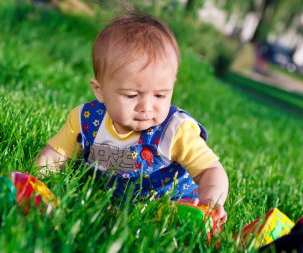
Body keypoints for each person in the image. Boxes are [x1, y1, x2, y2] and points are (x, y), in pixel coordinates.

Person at [37, 13, 229, 223]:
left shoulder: (174, 130)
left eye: (160, 95)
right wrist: (40, 183)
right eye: (131, 95)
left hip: (171, 205)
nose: (146, 107)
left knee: (180, 221)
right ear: (100, 91)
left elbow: (210, 170)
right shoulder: (86, 120)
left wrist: (209, 200)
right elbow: (54, 157)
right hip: (107, 201)